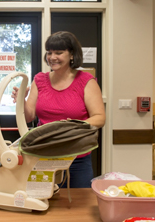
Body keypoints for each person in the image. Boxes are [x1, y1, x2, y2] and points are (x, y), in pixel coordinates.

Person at [11, 31, 105, 188]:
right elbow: (29, 117)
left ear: (72, 54)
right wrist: (21, 100)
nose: (52, 57)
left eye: (59, 52)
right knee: (42, 203)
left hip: (76, 158)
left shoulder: (86, 81)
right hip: (43, 155)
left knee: (78, 205)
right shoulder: (39, 80)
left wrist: (74, 126)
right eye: (49, 52)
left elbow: (99, 117)